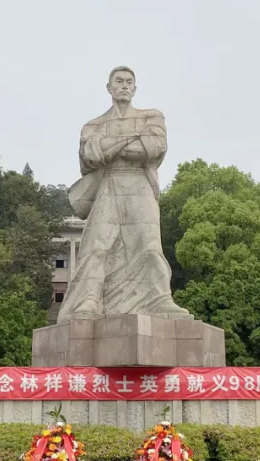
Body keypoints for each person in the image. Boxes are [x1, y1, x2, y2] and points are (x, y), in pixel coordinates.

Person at [57, 66, 191, 322]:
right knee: (98, 247)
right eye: (119, 81)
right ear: (109, 88)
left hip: (140, 185)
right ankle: (90, 299)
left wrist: (110, 146)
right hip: (108, 186)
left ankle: (160, 299)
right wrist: (130, 141)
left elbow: (153, 148)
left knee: (150, 246)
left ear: (135, 88)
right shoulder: (93, 125)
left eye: (129, 82)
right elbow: (90, 156)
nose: (124, 86)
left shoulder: (152, 117)